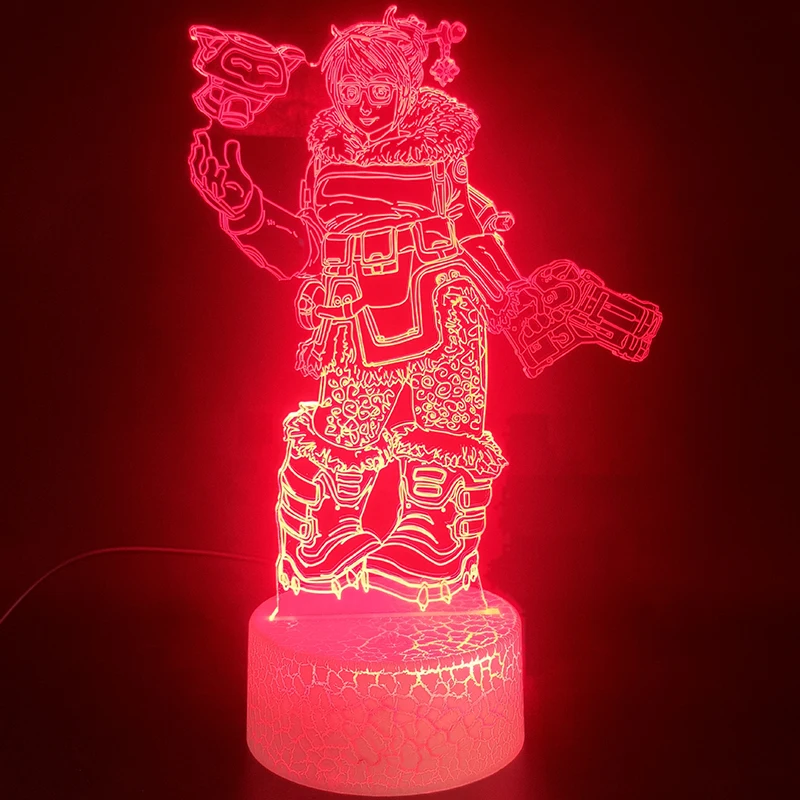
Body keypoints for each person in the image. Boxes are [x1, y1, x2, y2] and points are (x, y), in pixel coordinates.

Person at [188, 7, 661, 610]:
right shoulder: (327, 160)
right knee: (347, 428)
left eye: (379, 88)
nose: (364, 104)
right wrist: (244, 209)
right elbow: (305, 250)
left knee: (445, 420)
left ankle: (431, 531)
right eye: (351, 90)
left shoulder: (439, 156)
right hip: (353, 311)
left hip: (438, 302)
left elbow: (474, 234)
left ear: (407, 85)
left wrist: (517, 298)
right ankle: (330, 533)